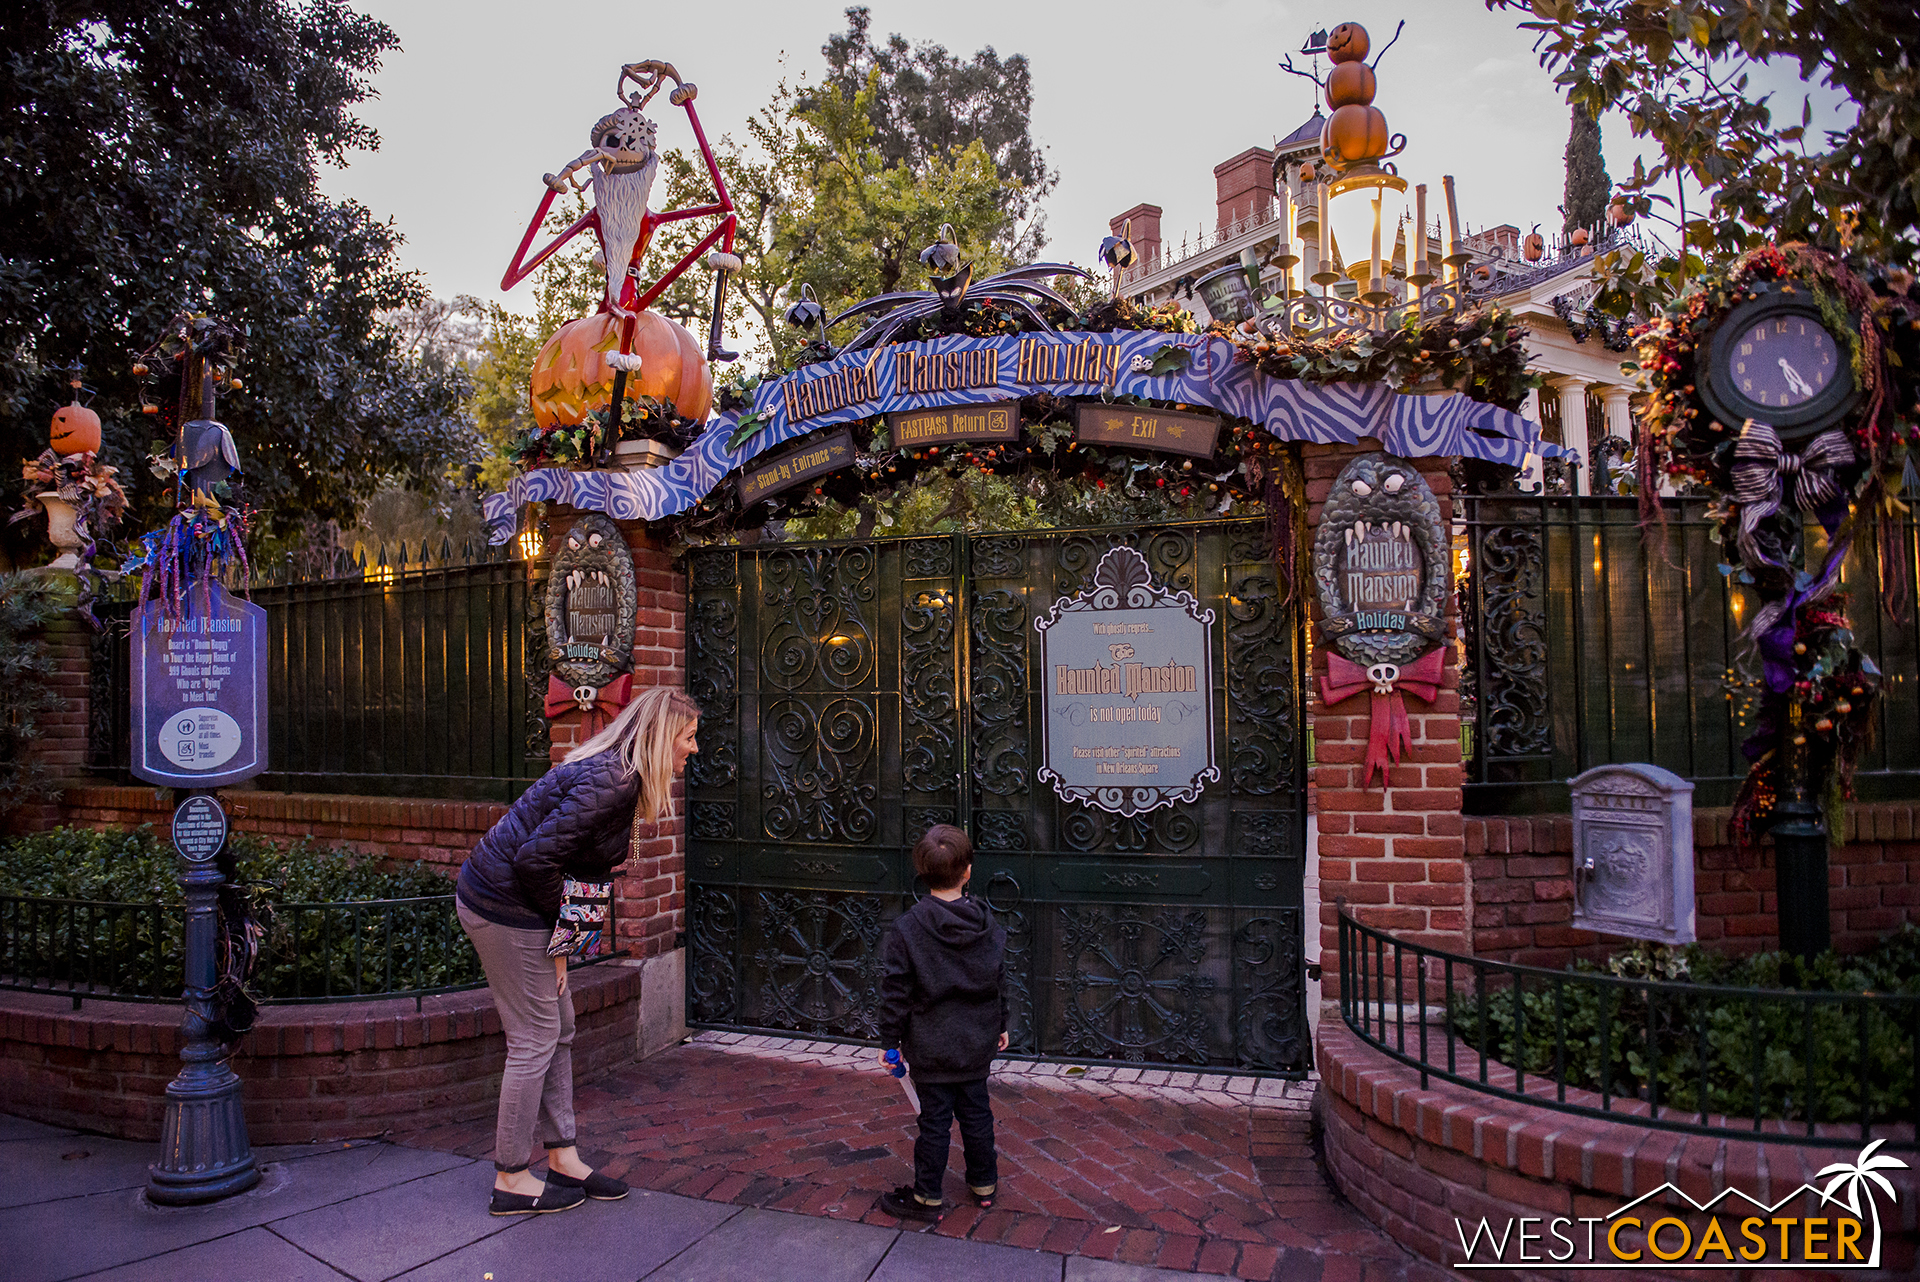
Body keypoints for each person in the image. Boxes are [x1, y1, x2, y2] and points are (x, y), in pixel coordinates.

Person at [456, 685, 700, 1215]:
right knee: (535, 1038)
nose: (694, 748)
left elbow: (571, 867)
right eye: (688, 737)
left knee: (560, 1027)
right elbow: (533, 861)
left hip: (520, 905)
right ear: (660, 738)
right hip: (502, 907)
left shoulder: (621, 779)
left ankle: (563, 1156)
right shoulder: (612, 781)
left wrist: (564, 941)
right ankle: (511, 1178)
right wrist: (559, 942)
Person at [875, 824, 1010, 1221]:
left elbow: (896, 991)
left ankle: (927, 1196)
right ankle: (984, 1183)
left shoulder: (908, 929)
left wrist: (890, 1041)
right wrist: (1001, 1022)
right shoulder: (986, 923)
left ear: (921, 870)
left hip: (932, 1043)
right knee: (977, 1113)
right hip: (976, 1040)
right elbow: (998, 977)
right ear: (968, 871)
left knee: (934, 1121)